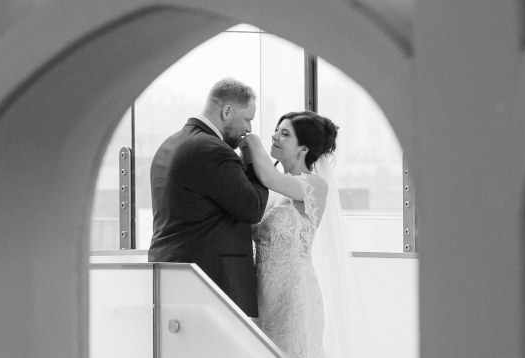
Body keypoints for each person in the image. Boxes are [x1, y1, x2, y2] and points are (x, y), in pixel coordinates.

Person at [244, 111, 374, 358]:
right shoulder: (271, 191)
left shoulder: (314, 185)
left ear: (302, 149)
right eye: (276, 129)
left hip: (295, 296)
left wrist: (252, 141)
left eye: (284, 133)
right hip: (261, 297)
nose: (275, 136)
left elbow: (269, 176)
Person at [148, 78, 271, 316]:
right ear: (227, 111)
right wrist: (253, 161)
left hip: (171, 272)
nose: (249, 129)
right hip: (209, 280)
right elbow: (253, 207)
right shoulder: (212, 150)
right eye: (247, 119)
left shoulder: (169, 144)